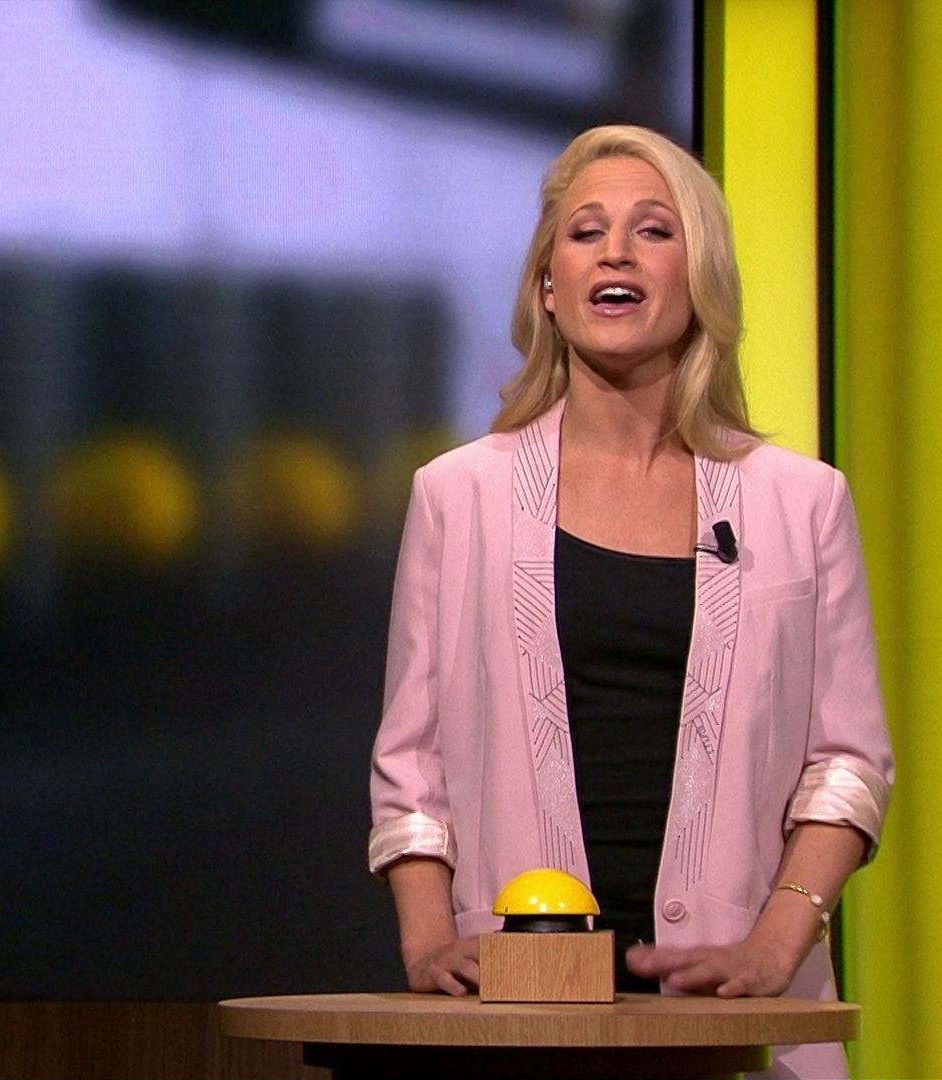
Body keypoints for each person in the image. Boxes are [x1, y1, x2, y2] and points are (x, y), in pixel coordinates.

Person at [367, 125, 894, 1080]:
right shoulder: (457, 495)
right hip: (512, 1015)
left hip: (742, 1022)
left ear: (702, 280)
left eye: (653, 230)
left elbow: (847, 763)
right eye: (586, 232)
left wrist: (774, 946)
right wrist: (427, 940)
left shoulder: (803, 501)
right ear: (548, 286)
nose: (615, 251)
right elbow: (412, 762)